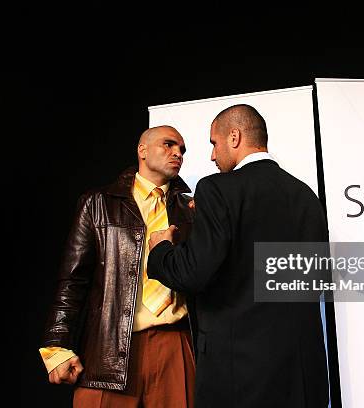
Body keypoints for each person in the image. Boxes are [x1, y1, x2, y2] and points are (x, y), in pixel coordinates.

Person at [148, 105, 329, 407]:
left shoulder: (217, 189)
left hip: (241, 380)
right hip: (303, 379)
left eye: (213, 144)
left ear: (234, 137)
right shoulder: (306, 195)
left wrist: (161, 249)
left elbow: (193, 273)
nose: (212, 156)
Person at [40, 125, 196, 408]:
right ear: (143, 150)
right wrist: (57, 345)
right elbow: (72, 281)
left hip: (175, 343)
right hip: (108, 348)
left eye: (182, 150)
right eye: (169, 144)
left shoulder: (193, 210)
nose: (178, 153)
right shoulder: (97, 203)